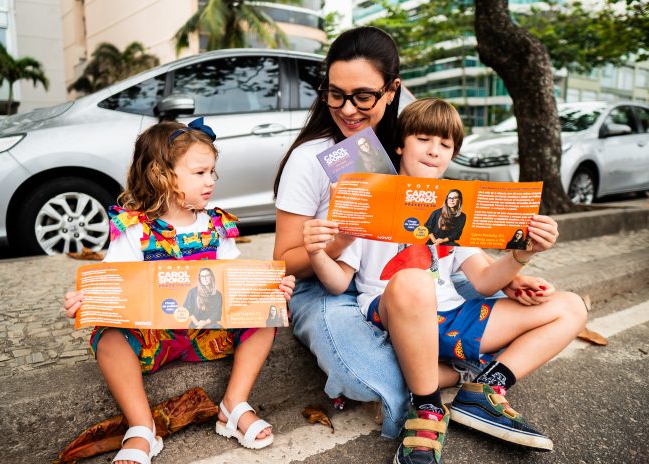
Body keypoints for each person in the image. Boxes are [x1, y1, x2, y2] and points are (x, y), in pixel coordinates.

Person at [273, 25, 545, 439]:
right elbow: (283, 262)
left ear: (391, 89)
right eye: (335, 94)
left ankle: (444, 375)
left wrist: (510, 270)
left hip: (416, 278)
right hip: (329, 277)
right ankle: (463, 374)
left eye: (363, 96)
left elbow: (448, 223)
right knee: (363, 378)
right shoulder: (311, 158)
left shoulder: (411, 131)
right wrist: (326, 246)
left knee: (535, 302)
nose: (348, 109)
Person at [304, 98, 588, 464]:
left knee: (570, 307)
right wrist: (317, 253)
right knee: (413, 280)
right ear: (400, 145)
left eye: (446, 145)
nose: (435, 150)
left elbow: (484, 281)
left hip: (452, 315)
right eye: (424, 139)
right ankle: (427, 410)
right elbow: (339, 283)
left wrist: (522, 255)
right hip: (396, 309)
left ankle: (485, 389)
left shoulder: (456, 208)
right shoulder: (371, 198)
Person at [64, 119, 295, 464]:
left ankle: (233, 404)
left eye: (213, 172)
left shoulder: (216, 225)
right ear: (161, 175)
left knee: (265, 312)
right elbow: (112, 283)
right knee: (107, 336)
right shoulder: (135, 230)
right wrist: (87, 300)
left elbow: (234, 280)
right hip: (152, 337)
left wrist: (269, 288)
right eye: (200, 172)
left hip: (207, 333)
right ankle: (142, 427)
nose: (211, 181)